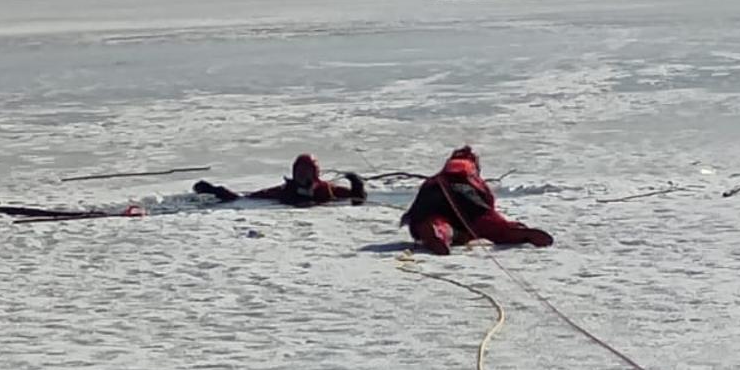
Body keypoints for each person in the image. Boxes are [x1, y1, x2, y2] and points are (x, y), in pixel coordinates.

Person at [400, 146, 553, 255]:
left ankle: (436, 230)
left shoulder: (438, 177)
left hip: (433, 192)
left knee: (437, 220)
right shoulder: (469, 175)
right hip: (467, 195)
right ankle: (513, 231)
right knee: (490, 226)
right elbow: (487, 202)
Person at [194, 154, 366, 207]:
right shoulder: (285, 190)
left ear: (315, 173)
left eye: (306, 171)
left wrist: (357, 184)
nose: (301, 175)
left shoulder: (327, 189)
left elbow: (357, 198)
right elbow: (244, 199)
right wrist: (216, 190)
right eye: (298, 171)